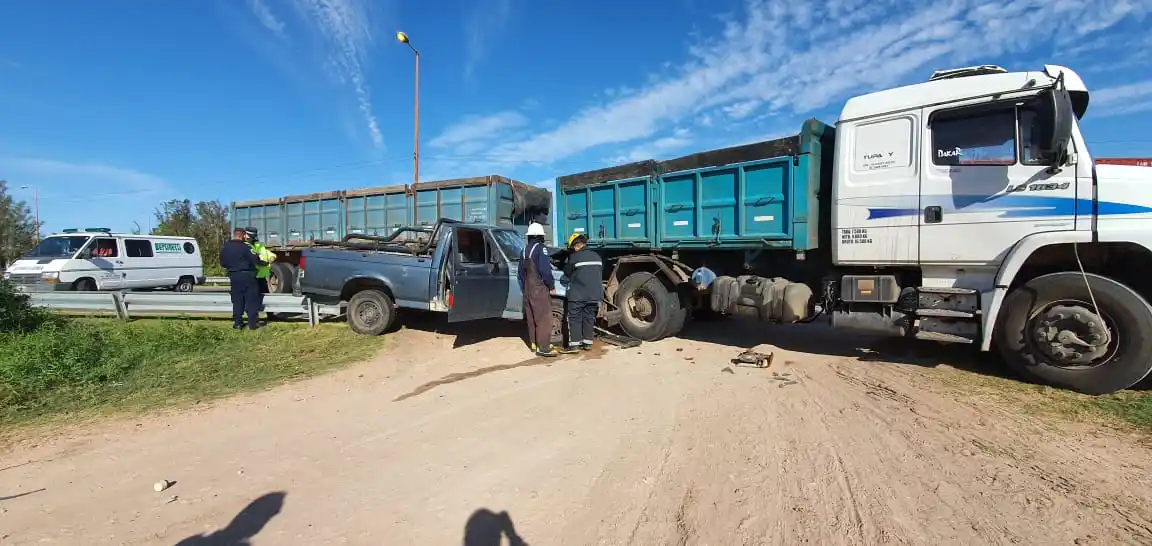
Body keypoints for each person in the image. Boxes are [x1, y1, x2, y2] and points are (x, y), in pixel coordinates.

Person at [517, 222, 561, 357]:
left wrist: (525, 289)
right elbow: (545, 270)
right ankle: (544, 347)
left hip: (527, 290)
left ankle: (534, 344)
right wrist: (551, 286)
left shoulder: (523, 250)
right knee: (543, 318)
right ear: (539, 236)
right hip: (539, 289)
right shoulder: (541, 249)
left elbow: (520, 274)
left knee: (531, 319)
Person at [562, 232, 604, 351]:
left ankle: (575, 345)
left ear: (576, 246)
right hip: (595, 295)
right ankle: (587, 343)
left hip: (578, 295)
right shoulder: (597, 256)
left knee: (574, 318)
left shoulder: (575, 257)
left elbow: (567, 273)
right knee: (589, 317)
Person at [220, 228, 261, 330]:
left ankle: (238, 323)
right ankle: (252, 324)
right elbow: (255, 260)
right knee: (251, 300)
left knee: (237, 300)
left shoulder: (225, 248)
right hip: (248, 276)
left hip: (234, 276)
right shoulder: (246, 247)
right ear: (243, 235)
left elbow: (223, 263)